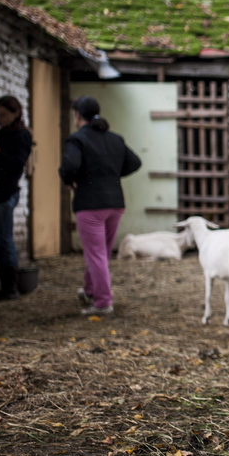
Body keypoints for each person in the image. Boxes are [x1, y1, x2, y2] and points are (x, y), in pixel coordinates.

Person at [59, 96, 142, 315]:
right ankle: (90, 291)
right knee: (100, 252)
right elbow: (135, 162)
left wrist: (70, 181)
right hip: (115, 203)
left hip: (90, 204)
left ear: (77, 115)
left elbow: (69, 165)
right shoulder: (115, 139)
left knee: (96, 254)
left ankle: (103, 302)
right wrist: (111, 174)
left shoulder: (77, 139)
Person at [0, 95, 33, 302]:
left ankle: (10, 287)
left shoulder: (20, 135)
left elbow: (16, 164)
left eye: (4, 114)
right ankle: (7, 286)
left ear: (16, 113)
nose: (0, 118)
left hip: (4, 191)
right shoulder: (5, 133)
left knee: (3, 239)